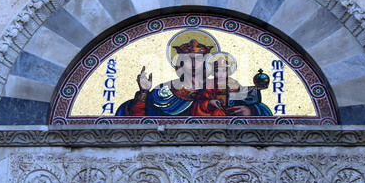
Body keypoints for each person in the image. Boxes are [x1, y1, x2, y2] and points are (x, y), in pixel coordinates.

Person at [115, 31, 272, 117]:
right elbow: (138, 117)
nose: (195, 63)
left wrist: (250, 111)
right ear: (180, 64)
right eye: (188, 59)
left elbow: (261, 109)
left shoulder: (222, 86)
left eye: (200, 59)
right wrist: (143, 92)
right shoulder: (164, 91)